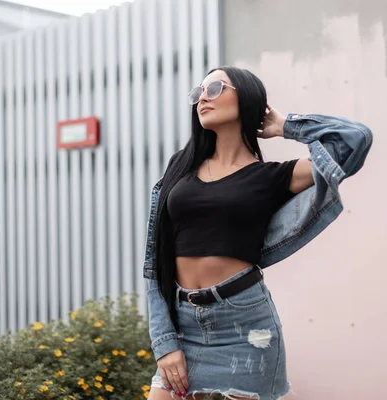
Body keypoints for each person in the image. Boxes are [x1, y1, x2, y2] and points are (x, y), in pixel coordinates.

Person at [143, 66, 373, 399]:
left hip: (245, 327)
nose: (201, 100)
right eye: (198, 93)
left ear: (247, 97)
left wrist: (287, 127)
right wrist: (164, 342)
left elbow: (356, 140)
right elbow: (154, 263)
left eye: (215, 88)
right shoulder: (181, 166)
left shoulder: (273, 177)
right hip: (183, 324)